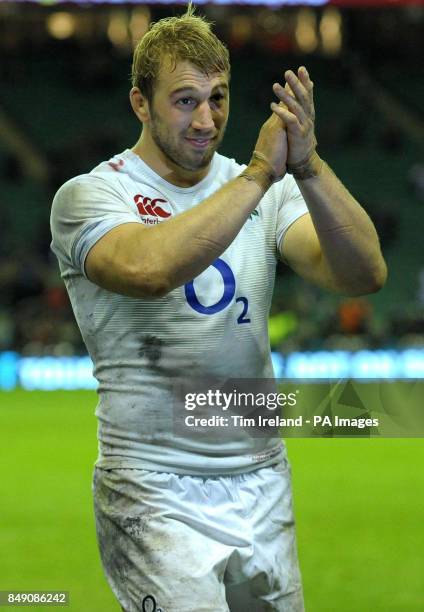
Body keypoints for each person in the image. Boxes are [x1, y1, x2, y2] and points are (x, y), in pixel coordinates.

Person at [50, 6, 387, 612]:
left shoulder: (265, 187)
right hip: (152, 485)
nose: (207, 120)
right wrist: (261, 173)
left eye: (218, 98)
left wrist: (306, 165)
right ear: (140, 103)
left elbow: (364, 273)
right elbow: (148, 270)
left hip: (262, 476)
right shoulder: (91, 195)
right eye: (185, 100)